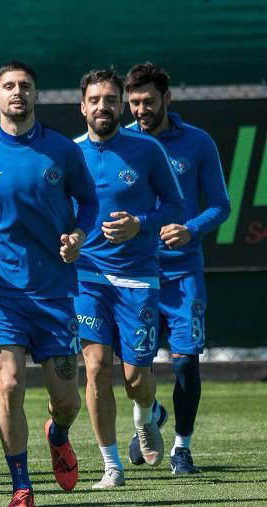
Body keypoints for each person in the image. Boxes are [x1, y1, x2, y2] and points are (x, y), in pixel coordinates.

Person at [0, 61, 98, 507]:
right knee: (10, 385)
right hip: (1, 291)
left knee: (66, 399)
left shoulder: (63, 150)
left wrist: (79, 235)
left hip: (54, 291)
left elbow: (90, 203)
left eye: (26, 86)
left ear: (37, 94)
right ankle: (21, 485)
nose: (18, 92)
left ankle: (58, 434)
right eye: (9, 86)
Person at [73, 68, 185, 488]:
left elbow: (175, 206)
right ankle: (112, 466)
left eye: (110, 99)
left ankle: (147, 413)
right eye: (95, 99)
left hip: (137, 278)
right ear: (82, 106)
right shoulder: (69, 153)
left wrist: (140, 224)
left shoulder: (147, 149)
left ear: (121, 105)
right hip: (87, 277)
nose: (103, 106)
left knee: (136, 379)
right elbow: (55, 211)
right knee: (96, 368)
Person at [125, 62, 230, 474]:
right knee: (135, 366)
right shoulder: (120, 143)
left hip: (184, 272)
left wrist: (190, 229)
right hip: (135, 273)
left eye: (149, 101)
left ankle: (181, 447)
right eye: (134, 102)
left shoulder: (198, 143)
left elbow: (220, 205)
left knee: (185, 360)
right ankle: (150, 414)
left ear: (167, 98)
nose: (141, 110)